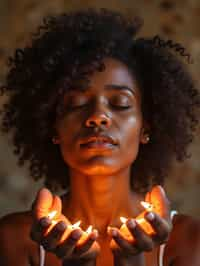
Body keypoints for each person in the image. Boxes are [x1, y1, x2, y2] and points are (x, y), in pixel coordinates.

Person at [0, 8, 199, 266]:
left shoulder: (187, 240)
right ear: (53, 129)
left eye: (119, 103)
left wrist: (132, 262)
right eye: (76, 103)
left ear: (146, 128)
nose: (97, 116)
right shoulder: (15, 239)